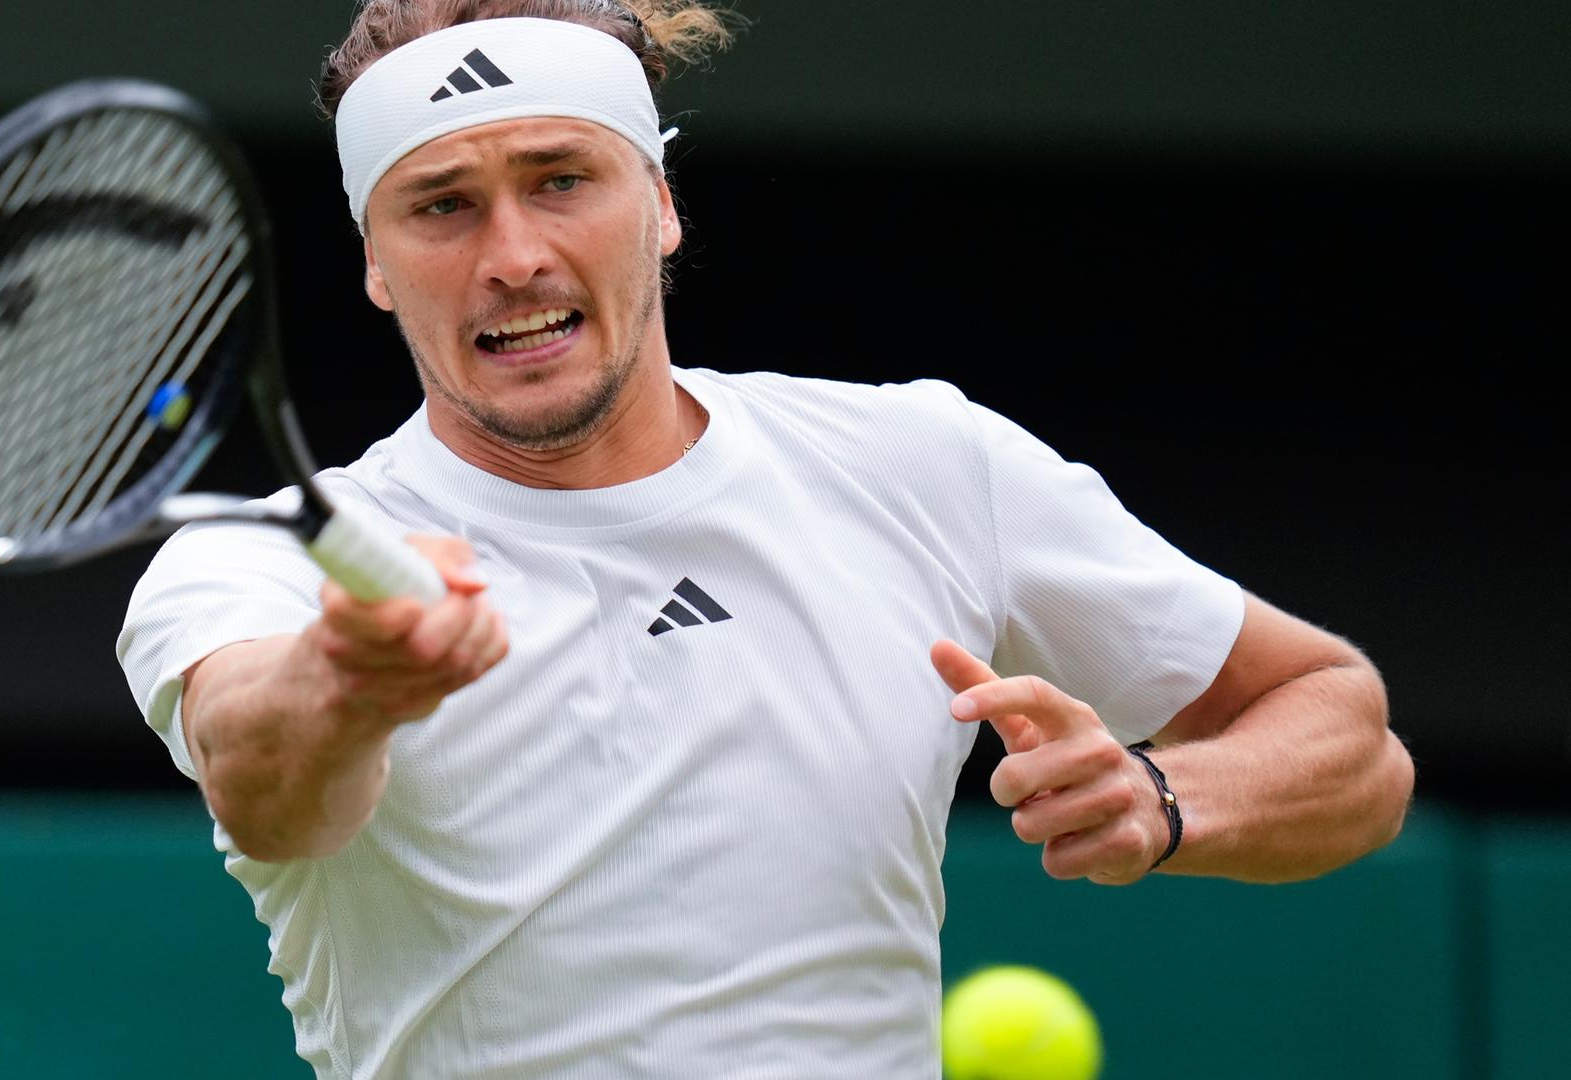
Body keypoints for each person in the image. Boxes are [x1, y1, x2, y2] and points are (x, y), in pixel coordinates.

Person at [116, 2, 1415, 1076]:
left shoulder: (926, 465)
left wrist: (1163, 798)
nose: (512, 255)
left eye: (561, 179)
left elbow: (1348, 737)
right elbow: (267, 789)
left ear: (660, 203)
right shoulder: (256, 567)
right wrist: (353, 678)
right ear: (375, 262)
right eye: (443, 205)